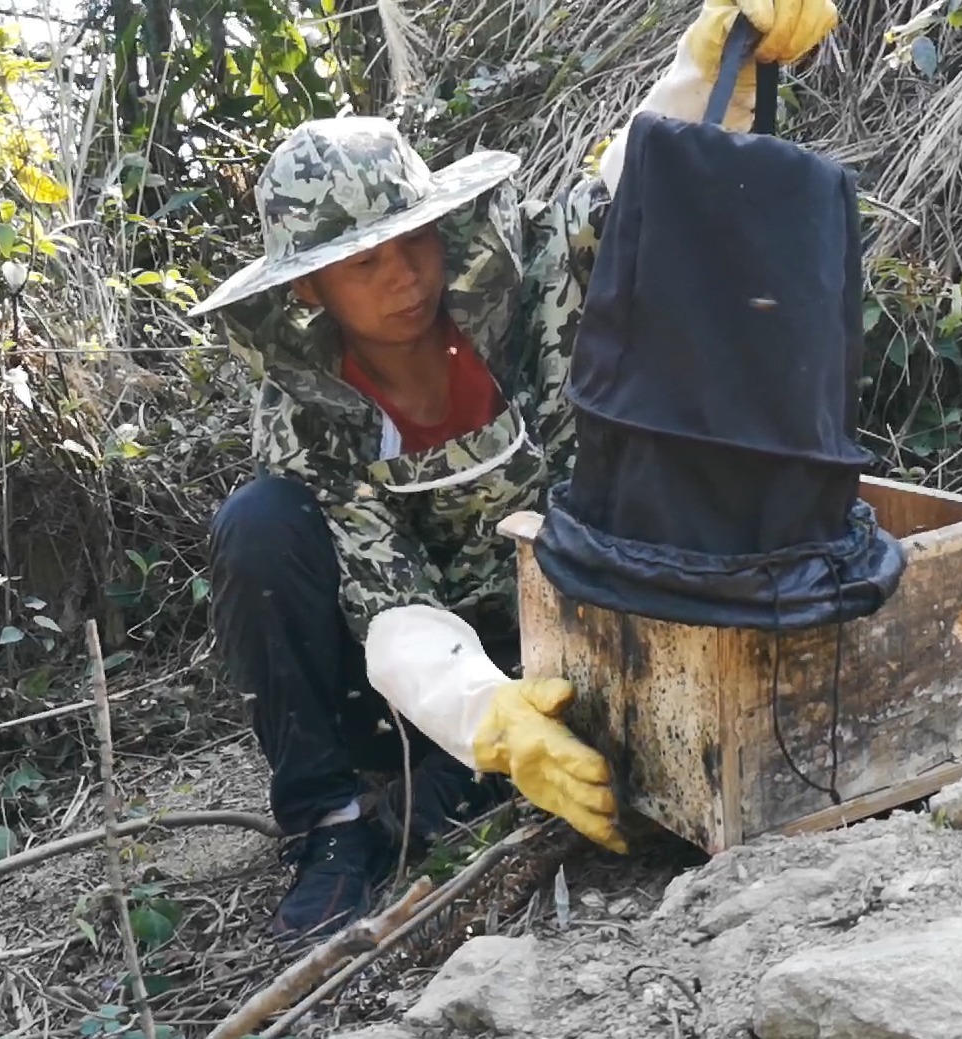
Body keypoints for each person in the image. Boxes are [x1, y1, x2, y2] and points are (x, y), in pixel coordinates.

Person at [190, 0, 839, 945]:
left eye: (415, 241)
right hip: (427, 675)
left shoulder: (523, 272)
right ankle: (331, 826)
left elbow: (630, 198)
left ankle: (466, 783)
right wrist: (489, 715)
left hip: (578, 610)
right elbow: (389, 603)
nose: (404, 278)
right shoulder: (307, 415)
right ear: (309, 288)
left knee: (531, 796)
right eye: (363, 264)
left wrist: (718, 66)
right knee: (259, 521)